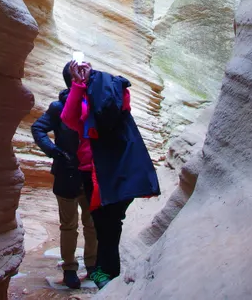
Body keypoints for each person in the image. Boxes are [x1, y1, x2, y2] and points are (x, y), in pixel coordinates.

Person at [61, 58, 159, 289]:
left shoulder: (95, 98)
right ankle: (107, 275)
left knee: (105, 225)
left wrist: (81, 85)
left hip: (98, 170)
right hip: (111, 168)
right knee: (110, 224)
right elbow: (121, 103)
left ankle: (106, 276)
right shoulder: (113, 93)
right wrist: (92, 81)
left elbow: (69, 119)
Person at [30, 67, 97, 289]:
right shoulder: (59, 108)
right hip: (67, 173)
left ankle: (93, 266)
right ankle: (70, 269)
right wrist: (54, 151)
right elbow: (38, 128)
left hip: (88, 174)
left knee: (91, 223)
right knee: (70, 225)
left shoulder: (94, 104)